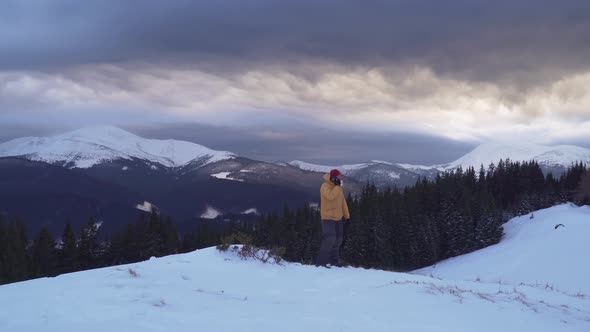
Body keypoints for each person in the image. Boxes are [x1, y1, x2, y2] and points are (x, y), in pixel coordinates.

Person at [316, 169, 350, 267]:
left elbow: (343, 202)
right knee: (330, 238)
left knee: (338, 239)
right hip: (327, 217)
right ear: (334, 177)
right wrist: (337, 186)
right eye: (339, 176)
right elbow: (330, 196)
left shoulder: (338, 188)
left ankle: (334, 261)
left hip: (338, 218)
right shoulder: (324, 186)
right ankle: (321, 262)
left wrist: (347, 216)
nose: (341, 178)